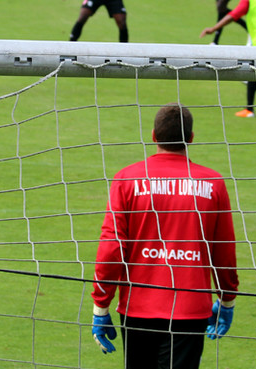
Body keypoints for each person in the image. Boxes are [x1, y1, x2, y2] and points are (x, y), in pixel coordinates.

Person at [91, 103, 239, 368]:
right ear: (191, 138)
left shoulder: (126, 179)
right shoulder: (213, 183)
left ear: (153, 136)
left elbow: (112, 247)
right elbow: (224, 250)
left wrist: (101, 305)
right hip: (190, 309)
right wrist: (227, 299)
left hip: (138, 307)